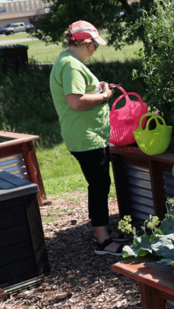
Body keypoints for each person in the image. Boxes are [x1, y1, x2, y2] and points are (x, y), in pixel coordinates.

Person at [49, 21, 129, 256]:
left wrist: (98, 89)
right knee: (99, 186)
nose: (96, 48)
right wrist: (104, 96)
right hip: (87, 139)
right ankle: (103, 241)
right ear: (84, 42)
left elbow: (78, 94)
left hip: (86, 137)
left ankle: (104, 231)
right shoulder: (71, 66)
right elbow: (75, 101)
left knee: (100, 184)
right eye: (94, 44)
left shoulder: (67, 61)